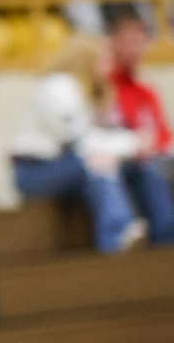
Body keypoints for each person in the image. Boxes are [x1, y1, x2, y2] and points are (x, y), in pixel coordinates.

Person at [9, 31, 174, 253]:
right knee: (97, 163)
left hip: (70, 164)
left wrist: (133, 147)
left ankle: (165, 234)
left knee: (141, 166)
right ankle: (116, 235)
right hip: (35, 172)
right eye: (103, 60)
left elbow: (100, 137)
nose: (108, 67)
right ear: (86, 61)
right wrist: (134, 144)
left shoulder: (87, 91)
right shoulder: (57, 88)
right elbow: (81, 144)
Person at [105, 8, 171, 169]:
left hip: (152, 159)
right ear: (113, 41)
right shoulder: (105, 85)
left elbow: (163, 134)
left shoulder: (146, 90)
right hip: (121, 159)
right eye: (129, 42)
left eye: (139, 42)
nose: (135, 49)